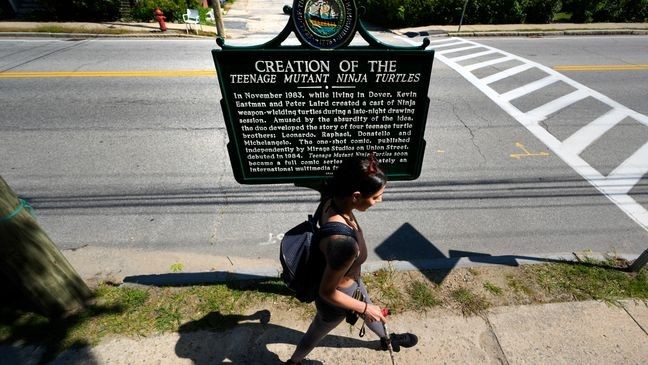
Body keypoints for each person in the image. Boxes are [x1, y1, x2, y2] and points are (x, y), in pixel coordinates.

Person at [286, 154, 418, 365]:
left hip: (351, 282)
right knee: (316, 332)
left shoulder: (333, 195)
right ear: (356, 195)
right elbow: (326, 292)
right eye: (376, 197)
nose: (379, 201)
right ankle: (293, 362)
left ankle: (387, 340)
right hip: (335, 301)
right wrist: (363, 308)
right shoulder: (342, 244)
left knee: (372, 310)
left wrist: (366, 307)